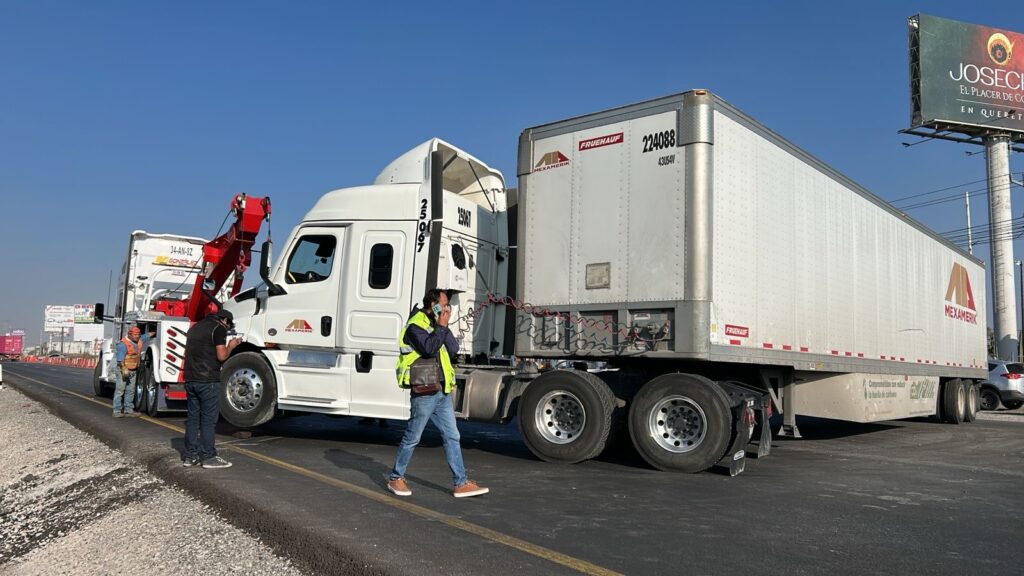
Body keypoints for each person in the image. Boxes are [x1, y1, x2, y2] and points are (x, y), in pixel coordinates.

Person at [387, 289, 488, 498]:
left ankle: (460, 483)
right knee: (413, 436)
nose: (446, 308)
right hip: (424, 391)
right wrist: (440, 327)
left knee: (452, 435)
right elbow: (428, 349)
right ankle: (396, 477)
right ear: (433, 304)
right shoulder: (415, 325)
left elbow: (452, 348)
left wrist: (443, 325)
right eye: (443, 304)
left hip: (442, 390)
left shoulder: (436, 324)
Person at [182, 308, 241, 468]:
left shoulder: (195, 328)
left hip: (191, 379)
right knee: (208, 421)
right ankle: (208, 457)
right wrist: (231, 346)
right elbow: (221, 356)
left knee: (193, 420)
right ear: (225, 320)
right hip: (208, 380)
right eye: (229, 324)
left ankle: (190, 456)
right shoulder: (218, 328)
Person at [112, 326, 150, 418]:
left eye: (138, 334)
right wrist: (124, 368)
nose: (137, 336)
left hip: (133, 370)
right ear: (129, 334)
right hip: (123, 369)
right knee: (120, 390)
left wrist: (154, 332)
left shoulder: (139, 341)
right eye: (135, 335)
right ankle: (116, 410)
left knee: (130, 391)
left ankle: (128, 410)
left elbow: (146, 336)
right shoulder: (123, 345)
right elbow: (120, 360)